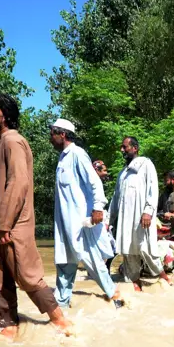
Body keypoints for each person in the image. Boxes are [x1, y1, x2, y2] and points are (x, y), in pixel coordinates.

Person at [0, 93, 69, 337]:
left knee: (27, 275)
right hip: (4, 226)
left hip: (12, 225)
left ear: (5, 115)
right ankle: (9, 325)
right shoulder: (4, 142)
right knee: (2, 275)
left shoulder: (13, 141)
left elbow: (18, 183)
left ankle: (60, 322)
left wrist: (5, 224)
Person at [51, 118, 120, 307]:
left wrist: (98, 207)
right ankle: (62, 304)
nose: (50, 138)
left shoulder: (77, 154)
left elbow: (94, 181)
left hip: (79, 221)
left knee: (89, 258)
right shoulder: (62, 157)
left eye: (52, 134)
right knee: (64, 260)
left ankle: (114, 295)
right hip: (64, 222)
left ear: (62, 134)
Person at [109, 136, 171, 291]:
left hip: (142, 218)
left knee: (146, 249)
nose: (122, 150)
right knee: (127, 251)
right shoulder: (122, 173)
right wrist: (109, 220)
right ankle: (136, 285)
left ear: (135, 148)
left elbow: (153, 189)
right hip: (125, 220)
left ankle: (164, 278)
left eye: (125, 147)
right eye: (122, 147)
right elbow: (115, 199)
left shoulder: (146, 164)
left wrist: (148, 212)